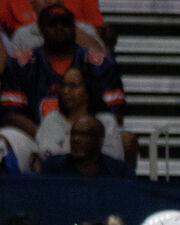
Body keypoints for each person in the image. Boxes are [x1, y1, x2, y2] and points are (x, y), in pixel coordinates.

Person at [1, 0, 125, 141]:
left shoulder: (99, 63)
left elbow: (115, 114)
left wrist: (81, 134)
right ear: (40, 29)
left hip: (90, 137)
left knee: (126, 139)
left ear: (74, 27)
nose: (59, 28)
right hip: (34, 136)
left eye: (65, 23)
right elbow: (10, 114)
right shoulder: (20, 63)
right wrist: (47, 136)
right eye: (53, 24)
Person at [35, 108, 129, 174]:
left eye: (84, 134)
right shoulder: (53, 168)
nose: (76, 139)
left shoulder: (119, 172)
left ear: (100, 141)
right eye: (73, 133)